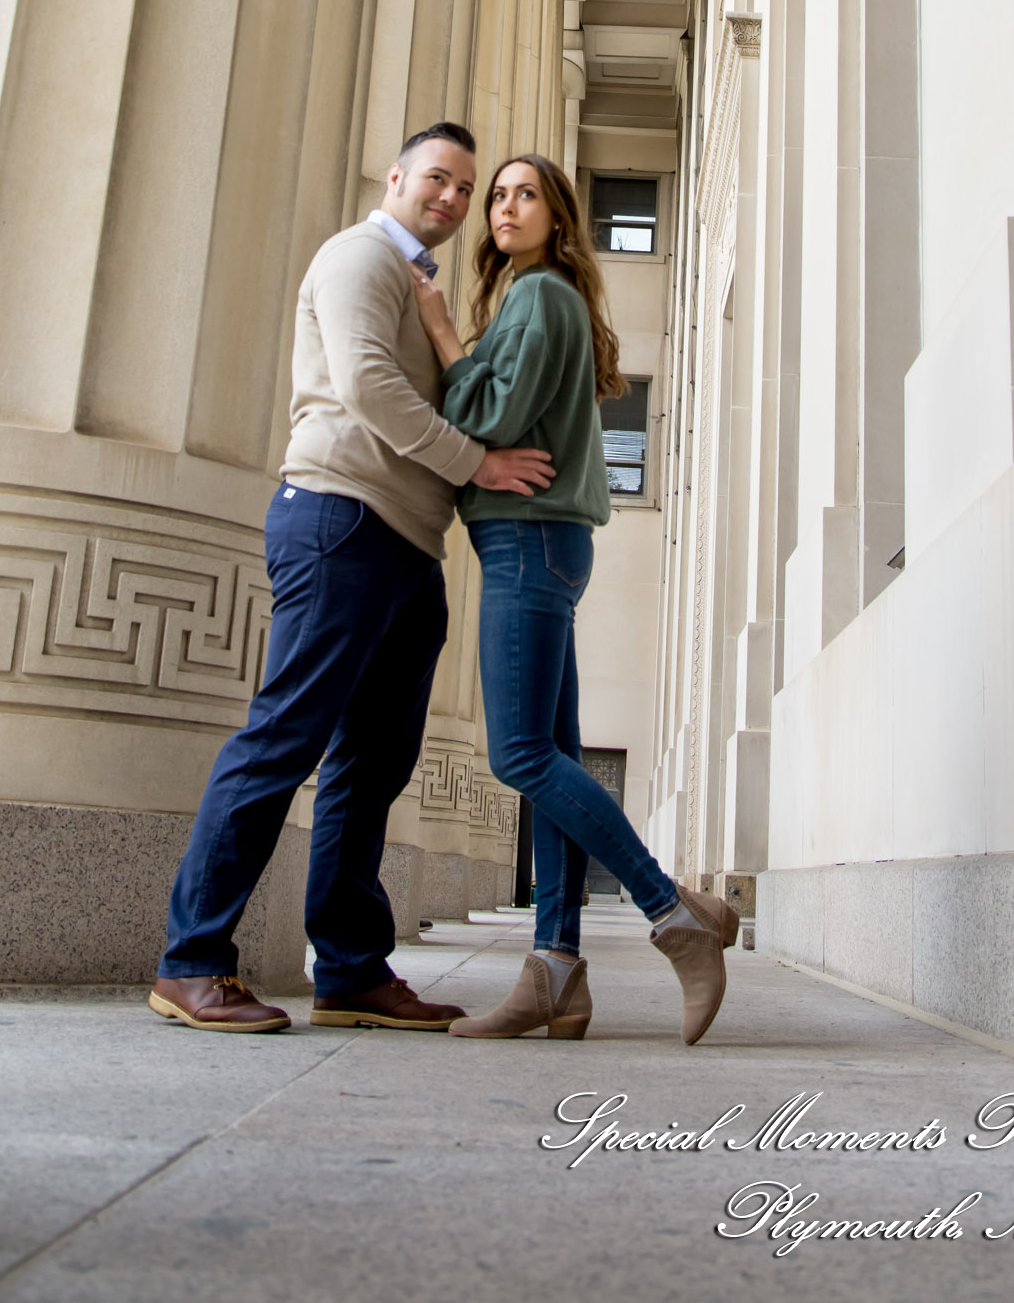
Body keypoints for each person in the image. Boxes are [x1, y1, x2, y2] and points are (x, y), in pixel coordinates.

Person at [149, 122, 556, 1033]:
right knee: (283, 740)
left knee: (370, 770)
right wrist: (477, 464)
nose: (453, 199)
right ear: (397, 176)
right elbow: (367, 384)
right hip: (340, 518)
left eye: (466, 188)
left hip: (408, 544)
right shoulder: (359, 256)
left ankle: (352, 972)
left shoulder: (417, 282)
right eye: (439, 180)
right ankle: (192, 962)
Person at [409, 151, 737, 1046]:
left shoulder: (540, 295)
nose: (506, 208)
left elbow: (487, 420)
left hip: (529, 542)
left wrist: (442, 334)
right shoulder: (536, 298)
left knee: (518, 757)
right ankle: (554, 975)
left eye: (526, 195)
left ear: (559, 218)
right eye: (499, 196)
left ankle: (675, 916)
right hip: (542, 544)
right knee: (551, 759)